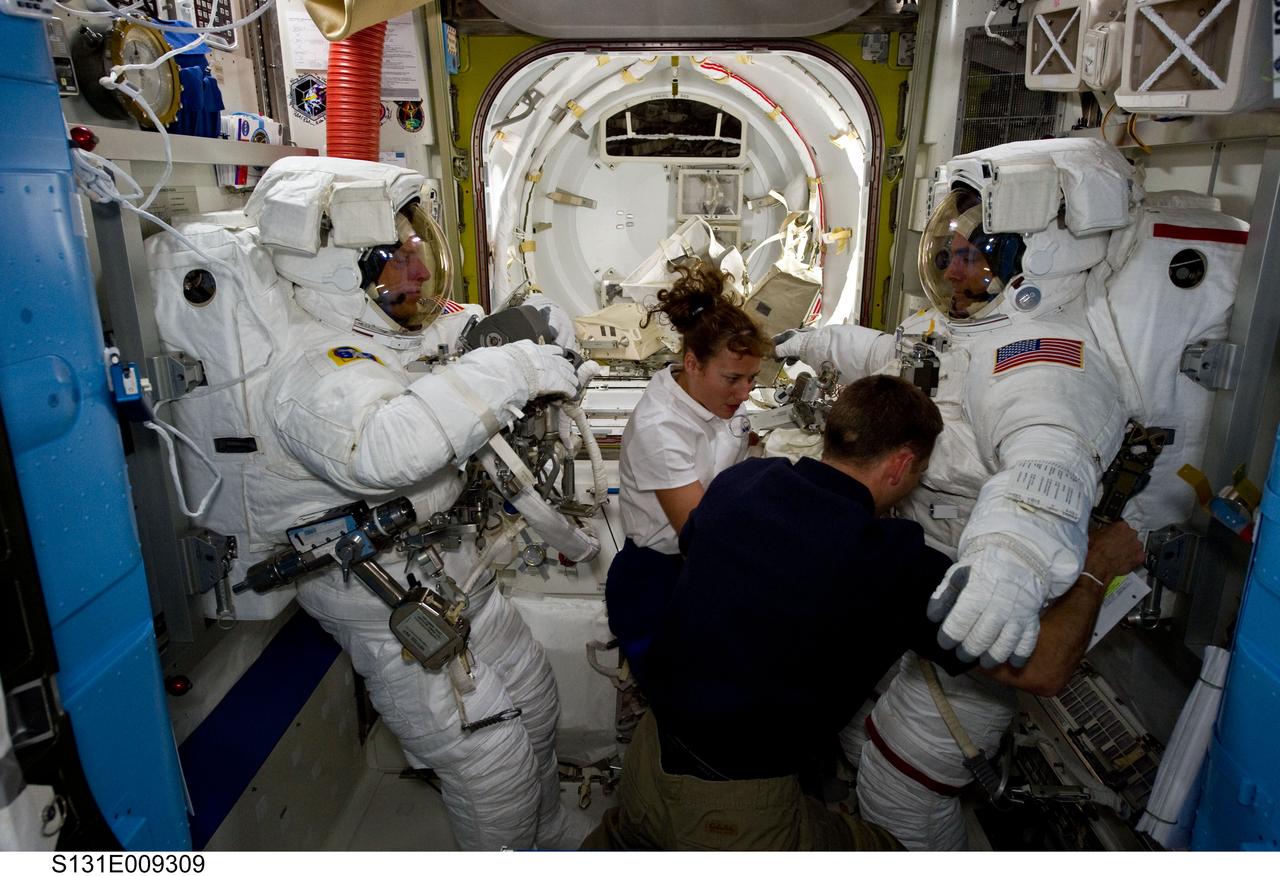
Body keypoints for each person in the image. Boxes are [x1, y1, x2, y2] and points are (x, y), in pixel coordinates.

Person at [150, 156, 594, 850]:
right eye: (396, 260)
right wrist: (516, 367)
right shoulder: (312, 370)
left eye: (421, 253)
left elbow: (456, 337)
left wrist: (532, 331)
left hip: (452, 578)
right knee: (491, 759)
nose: (418, 274)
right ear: (340, 272)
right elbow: (384, 447)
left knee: (535, 698)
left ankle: (554, 841)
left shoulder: (387, 334)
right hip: (387, 602)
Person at [581, 375, 1146, 851]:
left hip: (649, 761)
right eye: (921, 472)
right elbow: (1044, 669)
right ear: (901, 464)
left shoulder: (743, 482)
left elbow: (714, 554)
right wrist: (1097, 566)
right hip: (731, 811)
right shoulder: (889, 563)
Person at [775, 139, 1138, 848]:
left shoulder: (1042, 356)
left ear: (1028, 259)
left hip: (978, 596)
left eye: (972, 251)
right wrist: (811, 342)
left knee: (902, 784)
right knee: (856, 732)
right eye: (947, 247)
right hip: (915, 576)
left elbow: (1046, 471)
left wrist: (1007, 563)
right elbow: (889, 356)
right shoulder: (964, 331)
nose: (951, 264)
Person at [605, 260, 773, 685]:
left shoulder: (718, 399)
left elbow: (733, 451)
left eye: (752, 379)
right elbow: (699, 532)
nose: (745, 393)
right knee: (678, 694)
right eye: (733, 378)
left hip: (701, 565)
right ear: (692, 362)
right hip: (657, 580)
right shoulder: (661, 429)